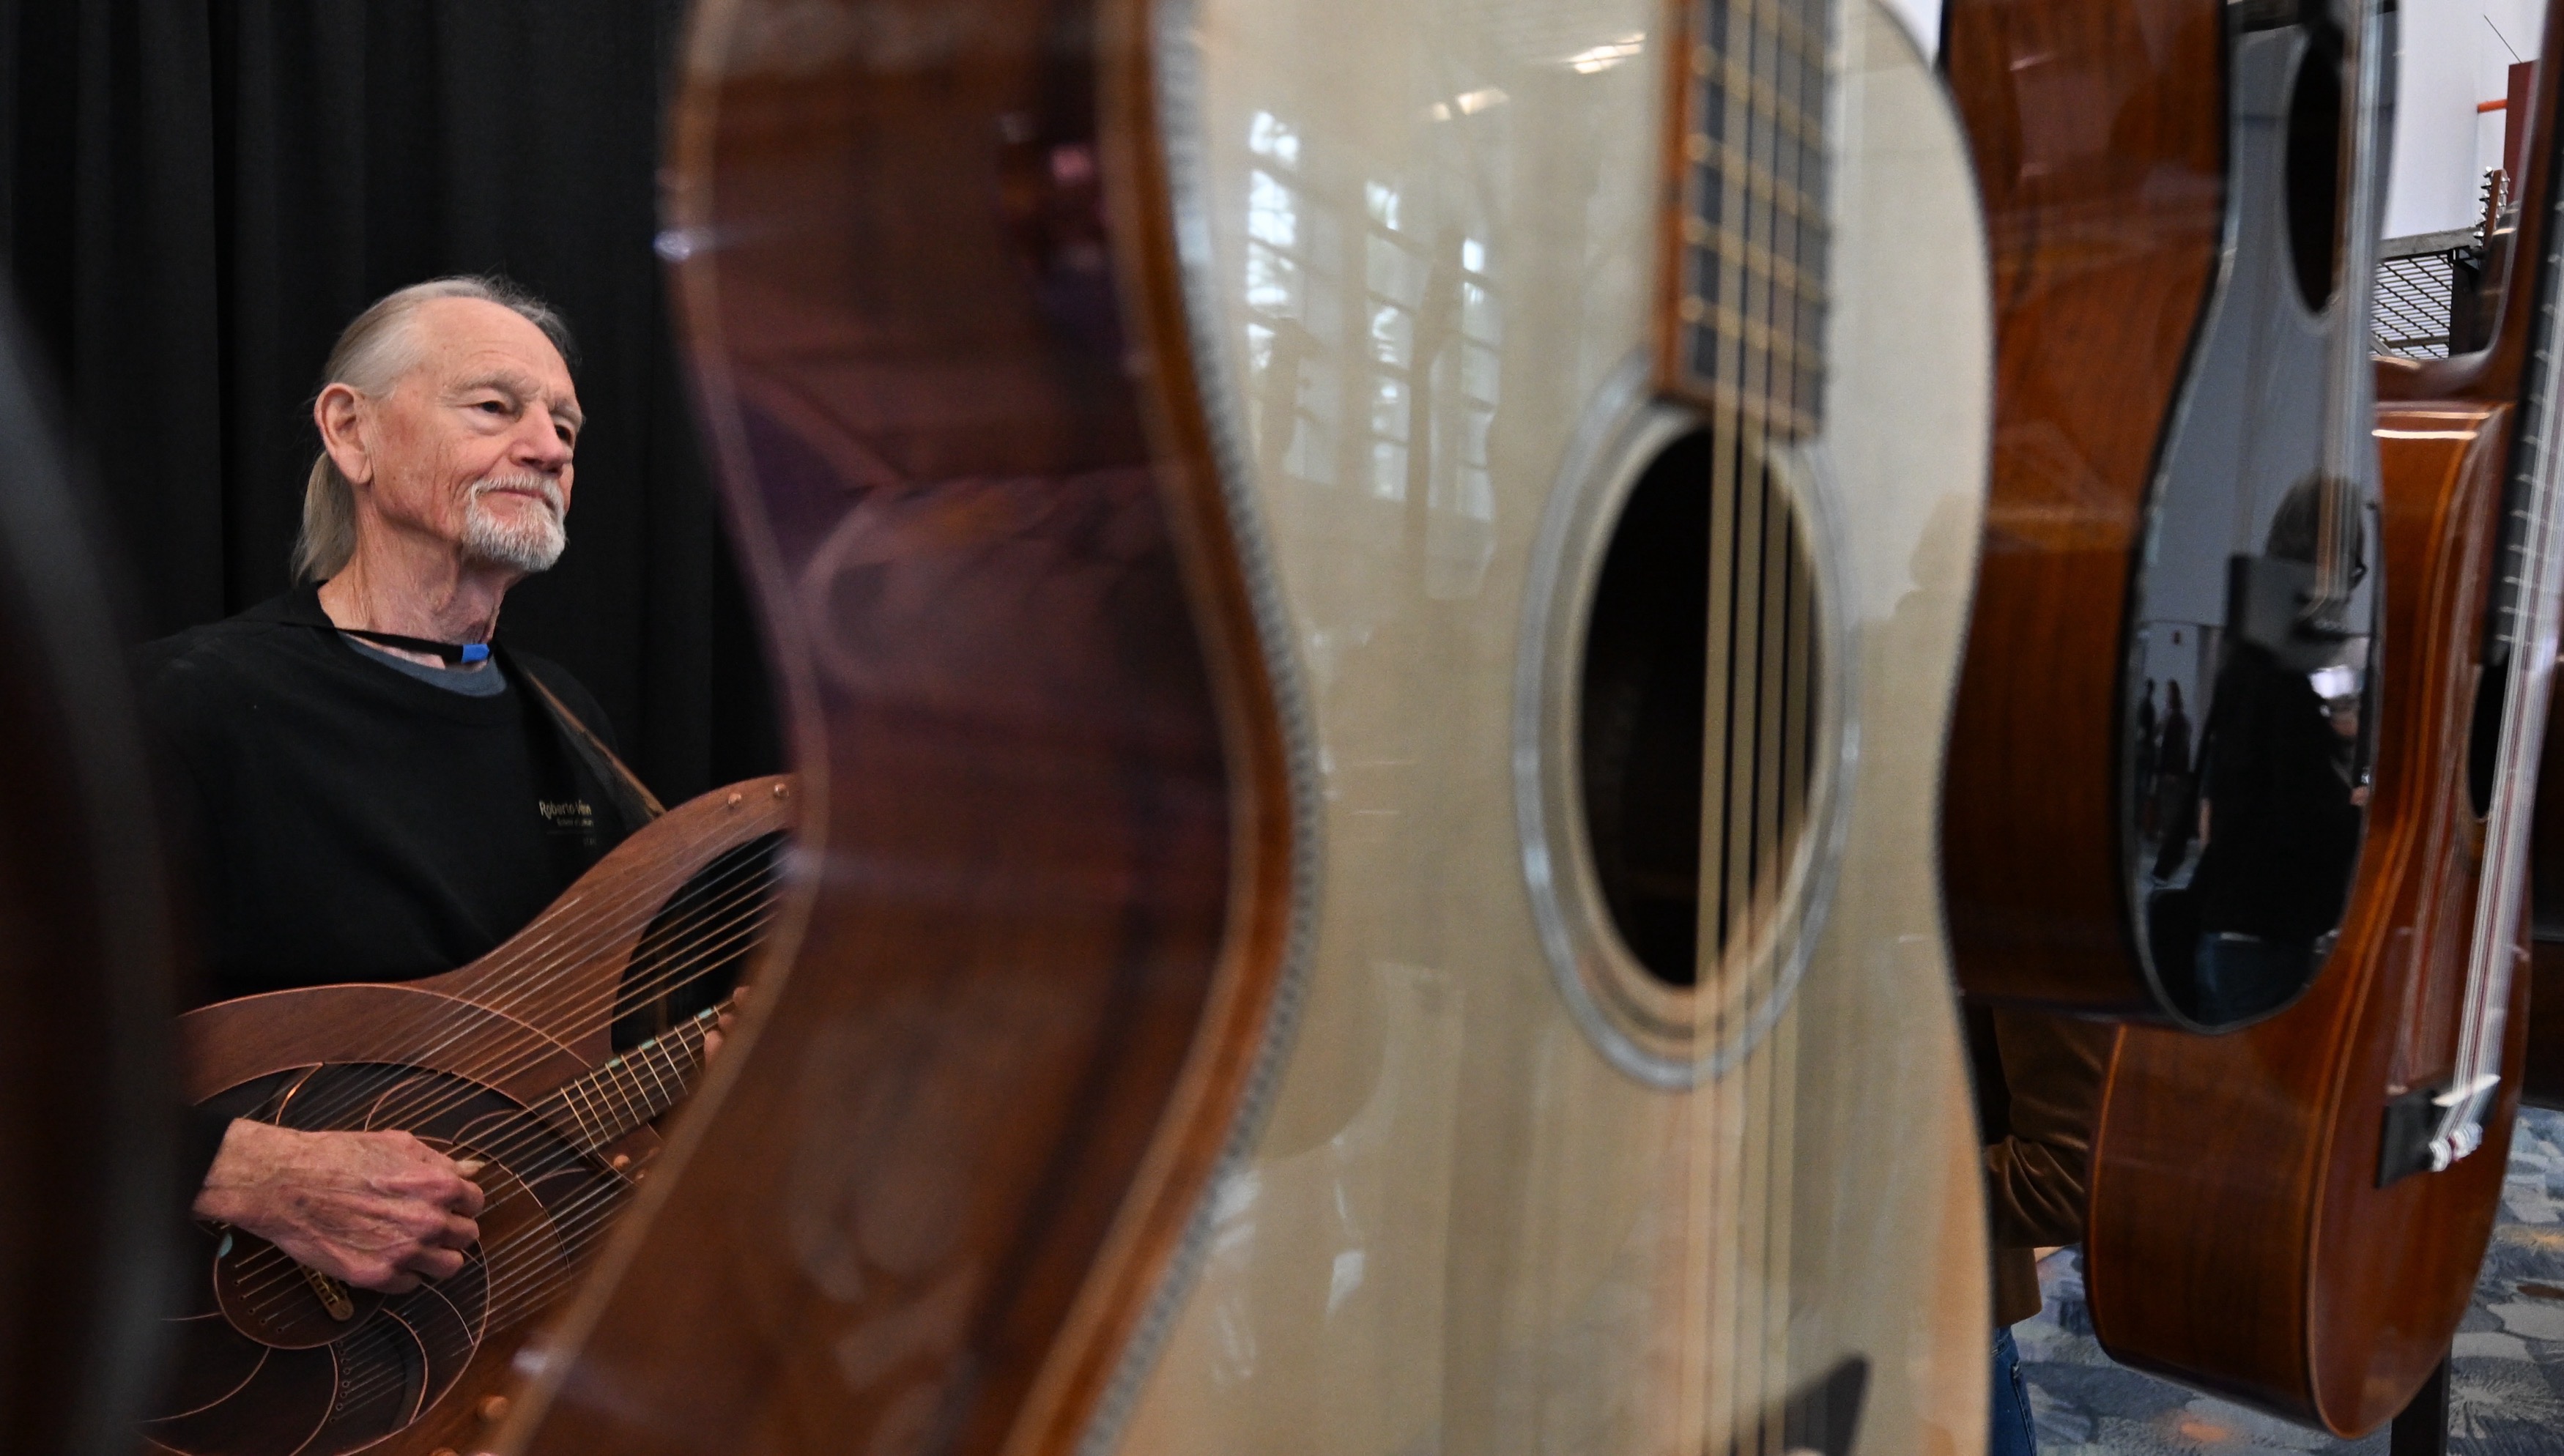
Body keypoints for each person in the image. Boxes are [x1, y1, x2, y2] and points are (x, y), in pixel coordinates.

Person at [141, 278, 663, 1294]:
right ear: (351, 432)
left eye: (566, 425)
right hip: (227, 1367)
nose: (550, 448)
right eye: (495, 407)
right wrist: (244, 1170)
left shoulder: (571, 726)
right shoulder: (177, 707)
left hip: (507, 1328)